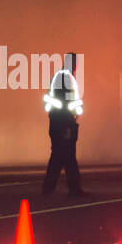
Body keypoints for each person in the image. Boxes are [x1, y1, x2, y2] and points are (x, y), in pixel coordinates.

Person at [42, 52, 84, 196]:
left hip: (58, 121)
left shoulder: (60, 76)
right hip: (64, 122)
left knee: (60, 156)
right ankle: (73, 189)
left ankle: (51, 188)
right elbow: (67, 101)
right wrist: (75, 112)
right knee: (67, 156)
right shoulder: (66, 77)